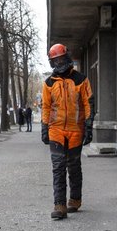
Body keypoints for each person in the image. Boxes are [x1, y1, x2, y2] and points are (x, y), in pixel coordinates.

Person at [40, 44, 93, 220]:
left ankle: (75, 199)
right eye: (55, 60)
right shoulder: (48, 84)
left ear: (67, 58)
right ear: (51, 62)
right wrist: (44, 127)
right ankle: (59, 205)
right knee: (58, 168)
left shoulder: (81, 80)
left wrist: (88, 126)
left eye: (61, 58)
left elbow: (88, 103)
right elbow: (46, 107)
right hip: (56, 130)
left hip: (75, 130)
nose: (59, 62)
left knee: (74, 167)